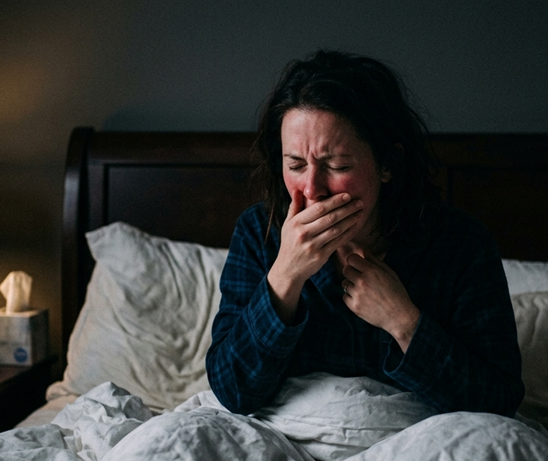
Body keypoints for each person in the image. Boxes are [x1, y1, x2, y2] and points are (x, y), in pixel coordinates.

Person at [206, 50, 524, 417]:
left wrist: (404, 322)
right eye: (295, 165)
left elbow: (498, 402)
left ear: (387, 163)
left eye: (337, 166)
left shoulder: (461, 244)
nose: (312, 189)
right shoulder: (258, 232)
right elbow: (231, 391)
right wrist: (285, 277)